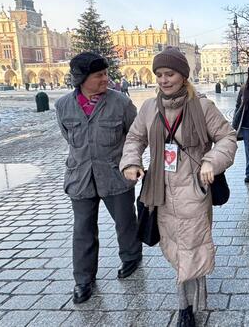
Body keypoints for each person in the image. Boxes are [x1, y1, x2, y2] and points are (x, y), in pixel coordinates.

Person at [120, 47, 236, 327]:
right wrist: (131, 162)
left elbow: (227, 138)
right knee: (176, 247)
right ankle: (193, 291)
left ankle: (186, 308)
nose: (163, 80)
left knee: (191, 245)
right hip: (159, 191)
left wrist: (211, 162)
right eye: (159, 74)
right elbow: (135, 138)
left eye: (169, 74)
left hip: (194, 188)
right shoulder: (149, 108)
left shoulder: (203, 107)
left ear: (183, 76)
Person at [54, 52, 143, 304]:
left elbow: (136, 136)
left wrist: (131, 163)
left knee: (125, 221)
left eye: (106, 73)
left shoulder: (121, 103)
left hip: (115, 174)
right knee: (82, 229)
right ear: (82, 79)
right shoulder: (63, 106)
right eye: (99, 75)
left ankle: (131, 256)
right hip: (80, 177)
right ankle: (83, 279)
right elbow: (68, 137)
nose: (106, 78)